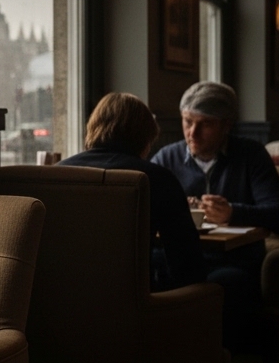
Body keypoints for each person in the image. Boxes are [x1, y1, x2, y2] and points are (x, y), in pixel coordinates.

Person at [152, 81, 279, 347]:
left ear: (226, 125)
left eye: (205, 124)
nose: (192, 133)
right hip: (180, 259)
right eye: (187, 121)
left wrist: (233, 212)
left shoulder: (251, 156)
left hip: (232, 260)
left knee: (225, 283)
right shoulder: (166, 158)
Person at [60, 92, 204, 291]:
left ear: (93, 128)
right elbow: (187, 264)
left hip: (59, 301)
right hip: (130, 305)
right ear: (146, 139)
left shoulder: (58, 173)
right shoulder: (156, 179)